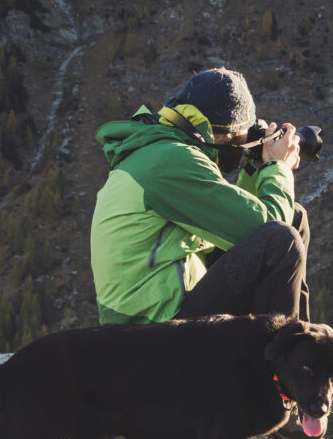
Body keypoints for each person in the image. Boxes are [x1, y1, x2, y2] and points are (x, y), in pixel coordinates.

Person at [90, 68, 312, 327]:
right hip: (151, 329)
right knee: (281, 239)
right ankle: (283, 360)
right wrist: (279, 166)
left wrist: (257, 166)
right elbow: (270, 226)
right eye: (242, 136)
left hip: (155, 312)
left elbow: (238, 223)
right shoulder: (170, 161)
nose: (241, 146)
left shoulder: (159, 149)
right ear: (226, 132)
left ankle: (302, 341)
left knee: (295, 215)